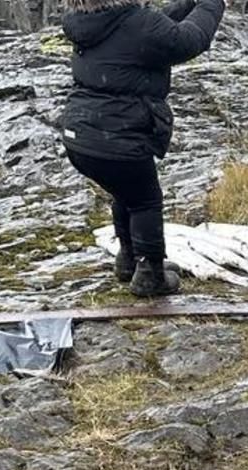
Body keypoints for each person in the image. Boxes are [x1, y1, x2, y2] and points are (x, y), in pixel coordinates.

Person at [58, 0, 226, 298]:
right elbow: (187, 41)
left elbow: (155, 25)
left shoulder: (86, 20)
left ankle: (128, 260)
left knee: (126, 191)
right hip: (117, 137)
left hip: (81, 137)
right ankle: (150, 274)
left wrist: (189, 3)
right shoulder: (137, 22)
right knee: (145, 200)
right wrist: (212, 4)